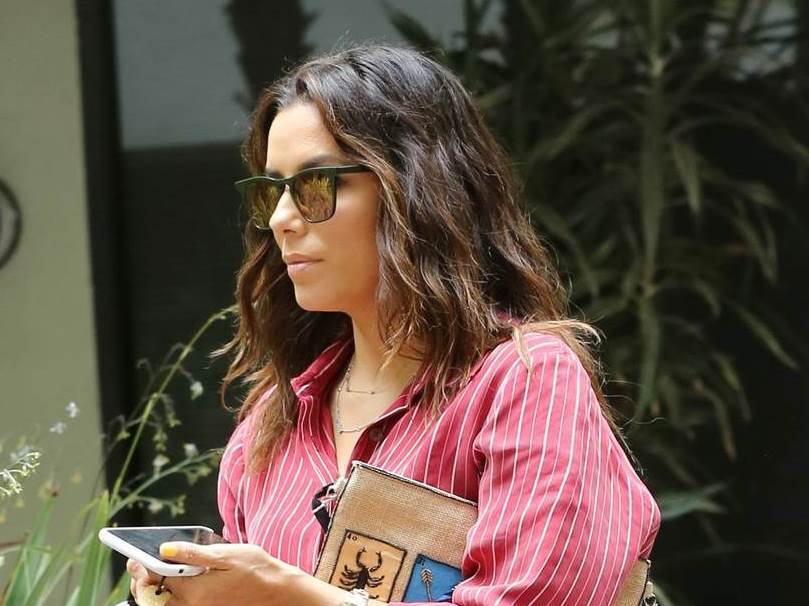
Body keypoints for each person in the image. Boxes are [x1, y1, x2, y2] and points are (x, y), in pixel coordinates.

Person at [126, 44, 660, 606]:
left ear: (416, 188)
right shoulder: (271, 422)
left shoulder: (524, 383)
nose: (282, 219)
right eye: (271, 191)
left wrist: (294, 597)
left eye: (315, 185)